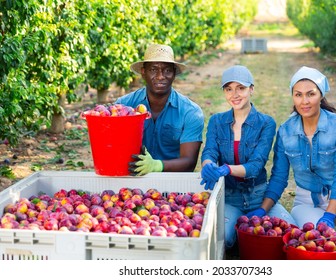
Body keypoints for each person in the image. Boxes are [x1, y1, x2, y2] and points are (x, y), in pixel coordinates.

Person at [257, 66, 336, 258]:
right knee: (319, 241)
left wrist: (330, 214)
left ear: (321, 94)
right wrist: (262, 210)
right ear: (292, 97)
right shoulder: (285, 132)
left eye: (311, 94)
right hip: (306, 202)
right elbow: (278, 178)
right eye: (298, 95)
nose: (304, 101)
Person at [200, 65, 296, 250]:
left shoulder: (266, 123)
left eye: (241, 88)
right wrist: (208, 165)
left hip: (259, 196)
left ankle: (247, 230)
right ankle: (241, 231)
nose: (234, 94)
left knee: (289, 235)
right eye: (229, 89)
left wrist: (227, 168)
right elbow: (209, 151)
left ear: (251, 89)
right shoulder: (217, 121)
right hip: (229, 197)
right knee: (223, 241)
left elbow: (256, 165)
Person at [115, 43, 204, 175]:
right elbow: (113, 148)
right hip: (132, 179)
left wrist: (156, 165)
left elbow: (189, 162)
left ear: (174, 73)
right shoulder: (124, 106)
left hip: (172, 184)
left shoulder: (190, 112)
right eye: (153, 70)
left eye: (167, 70)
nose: (160, 76)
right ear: (143, 72)